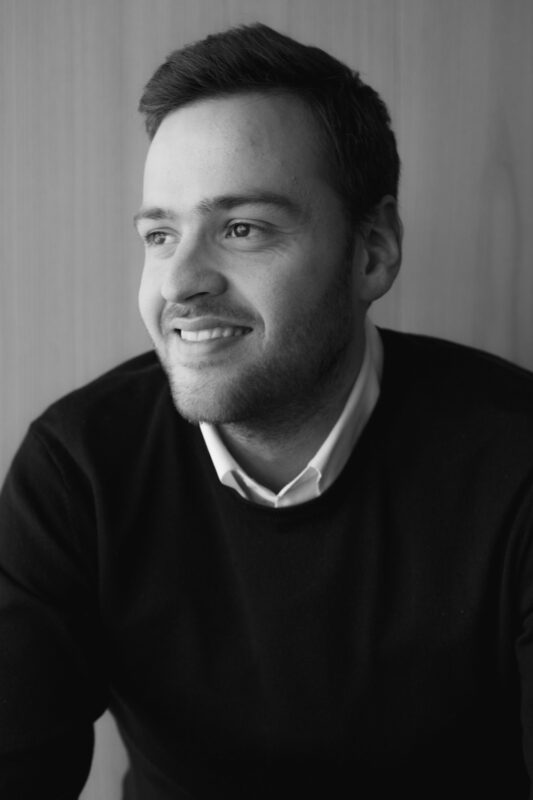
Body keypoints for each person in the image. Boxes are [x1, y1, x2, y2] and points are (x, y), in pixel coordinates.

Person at [0, 22, 532, 800]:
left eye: (241, 228)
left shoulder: (516, 458)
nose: (179, 283)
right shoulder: (77, 467)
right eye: (160, 234)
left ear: (372, 251)